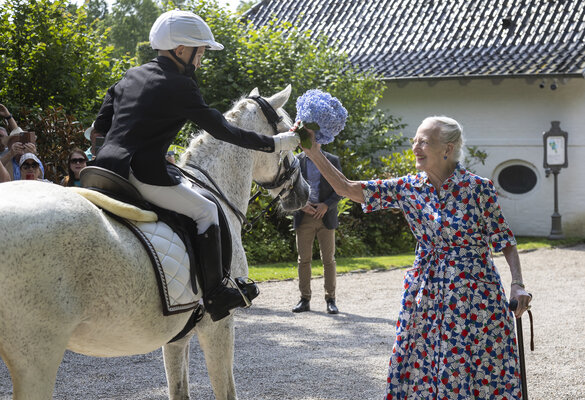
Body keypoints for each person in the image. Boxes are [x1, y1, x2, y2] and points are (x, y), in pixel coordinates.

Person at [301, 116, 532, 399]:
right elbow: (347, 188)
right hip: (427, 293)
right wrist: (313, 151)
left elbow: (504, 240)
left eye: (424, 141)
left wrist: (517, 283)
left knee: (479, 368)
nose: (415, 147)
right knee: (421, 365)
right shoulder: (408, 187)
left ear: (447, 148)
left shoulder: (478, 188)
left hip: (475, 295)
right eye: (415, 141)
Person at [91, 10, 300, 322]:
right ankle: (217, 294)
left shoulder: (129, 76)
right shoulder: (180, 85)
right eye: (200, 52)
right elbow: (223, 131)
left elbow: (98, 128)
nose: (200, 60)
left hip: (103, 170)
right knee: (207, 211)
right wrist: (277, 143)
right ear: (180, 51)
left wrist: (117, 150)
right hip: (143, 174)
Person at [289, 89, 347, 315]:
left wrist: (326, 206)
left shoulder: (332, 160)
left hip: (326, 217)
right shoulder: (295, 161)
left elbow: (341, 189)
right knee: (303, 260)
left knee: (328, 260)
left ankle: (330, 299)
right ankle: (304, 299)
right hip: (304, 216)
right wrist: (302, 204)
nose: (311, 137)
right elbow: (290, 188)